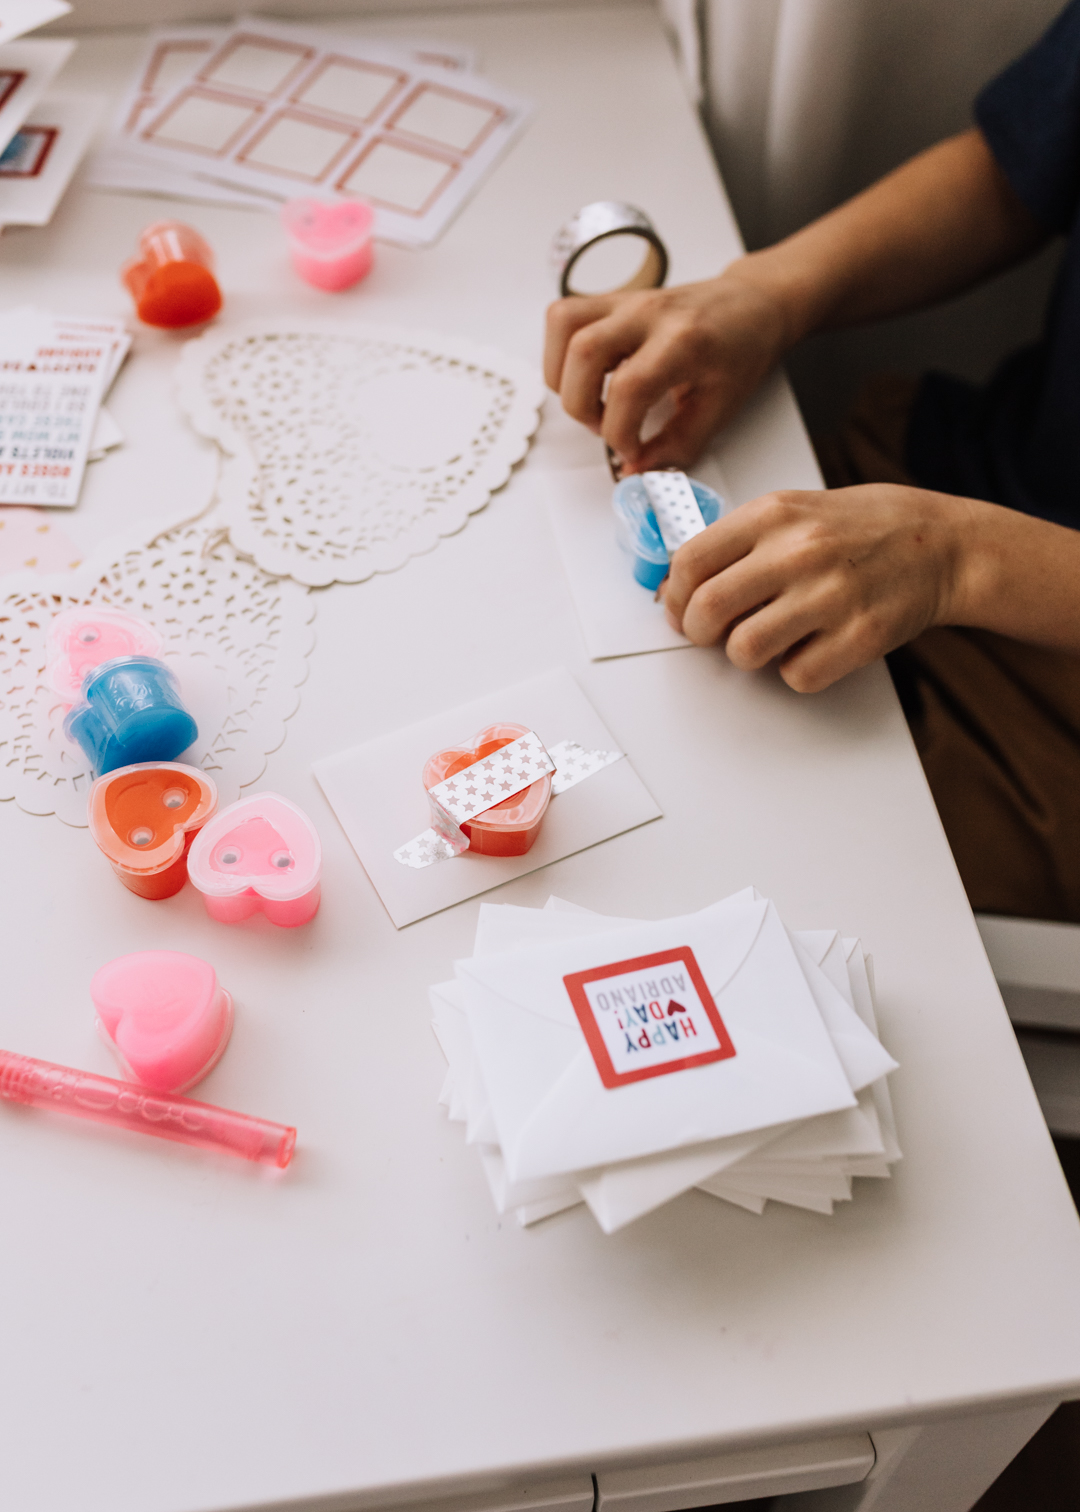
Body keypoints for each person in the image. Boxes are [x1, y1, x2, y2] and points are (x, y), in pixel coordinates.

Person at [543, 0, 1080, 924]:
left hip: (1050, 727)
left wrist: (961, 558)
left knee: (724, 870)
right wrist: (765, 293)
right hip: (952, 469)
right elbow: (1018, 169)